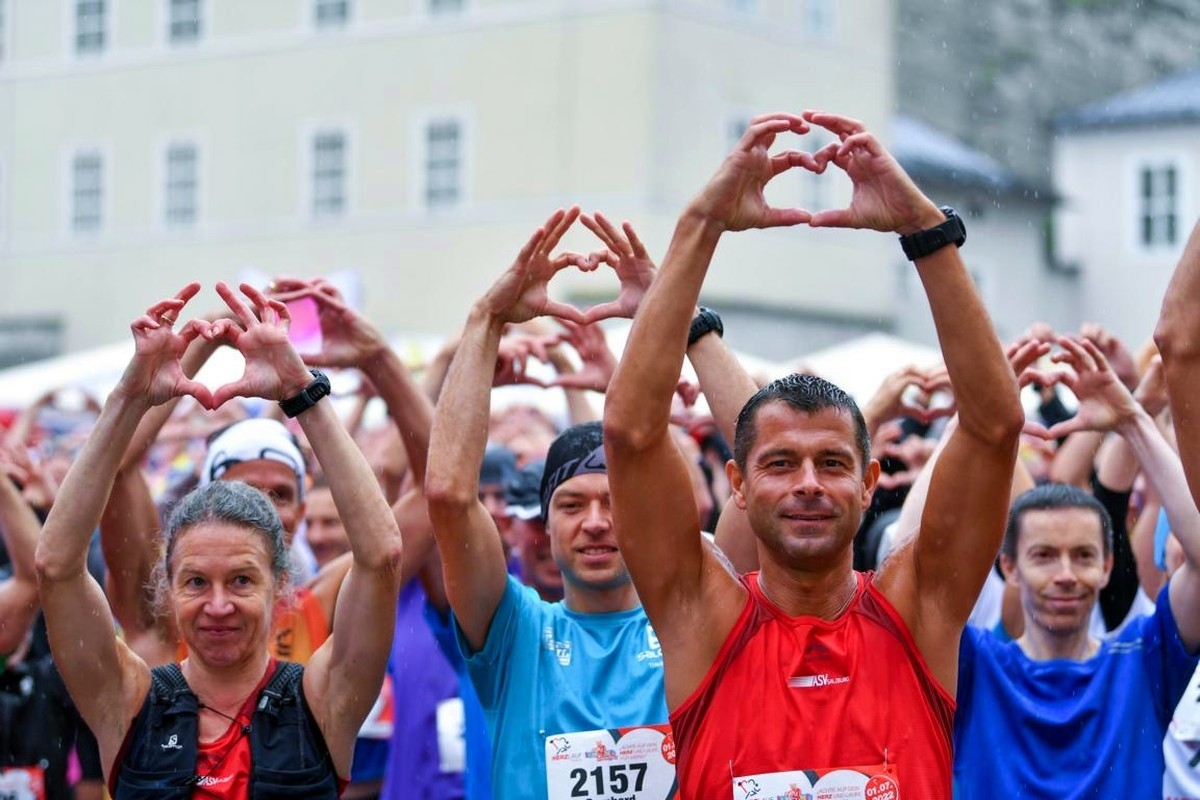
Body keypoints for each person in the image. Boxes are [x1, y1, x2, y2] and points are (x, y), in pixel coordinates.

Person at [602, 110, 1025, 798]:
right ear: (737, 484)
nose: (807, 484)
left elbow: (994, 426)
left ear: (869, 482)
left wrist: (926, 231)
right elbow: (629, 434)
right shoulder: (701, 616)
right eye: (780, 464)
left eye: (831, 464)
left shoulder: (918, 608)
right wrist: (701, 225)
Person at [34, 281, 404, 796]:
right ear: (166, 588)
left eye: (241, 581)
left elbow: (381, 555)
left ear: (280, 588)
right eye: (195, 583)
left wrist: (302, 390)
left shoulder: (324, 702)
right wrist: (128, 398)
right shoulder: (126, 701)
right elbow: (56, 566)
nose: (219, 605)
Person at [424, 208, 677, 800]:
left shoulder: (691, 620)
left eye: (613, 504)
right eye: (570, 505)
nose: (595, 523)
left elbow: (740, 482)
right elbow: (449, 496)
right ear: (543, 525)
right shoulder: (516, 630)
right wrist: (485, 321)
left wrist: (676, 314)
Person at [952, 335, 1199, 797]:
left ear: (1107, 566)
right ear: (1010, 566)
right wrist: (969, 420)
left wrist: (1132, 419)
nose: (1065, 574)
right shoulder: (976, 663)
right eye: (1044, 555)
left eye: (1083, 555)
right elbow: (914, 572)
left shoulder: (1144, 659)